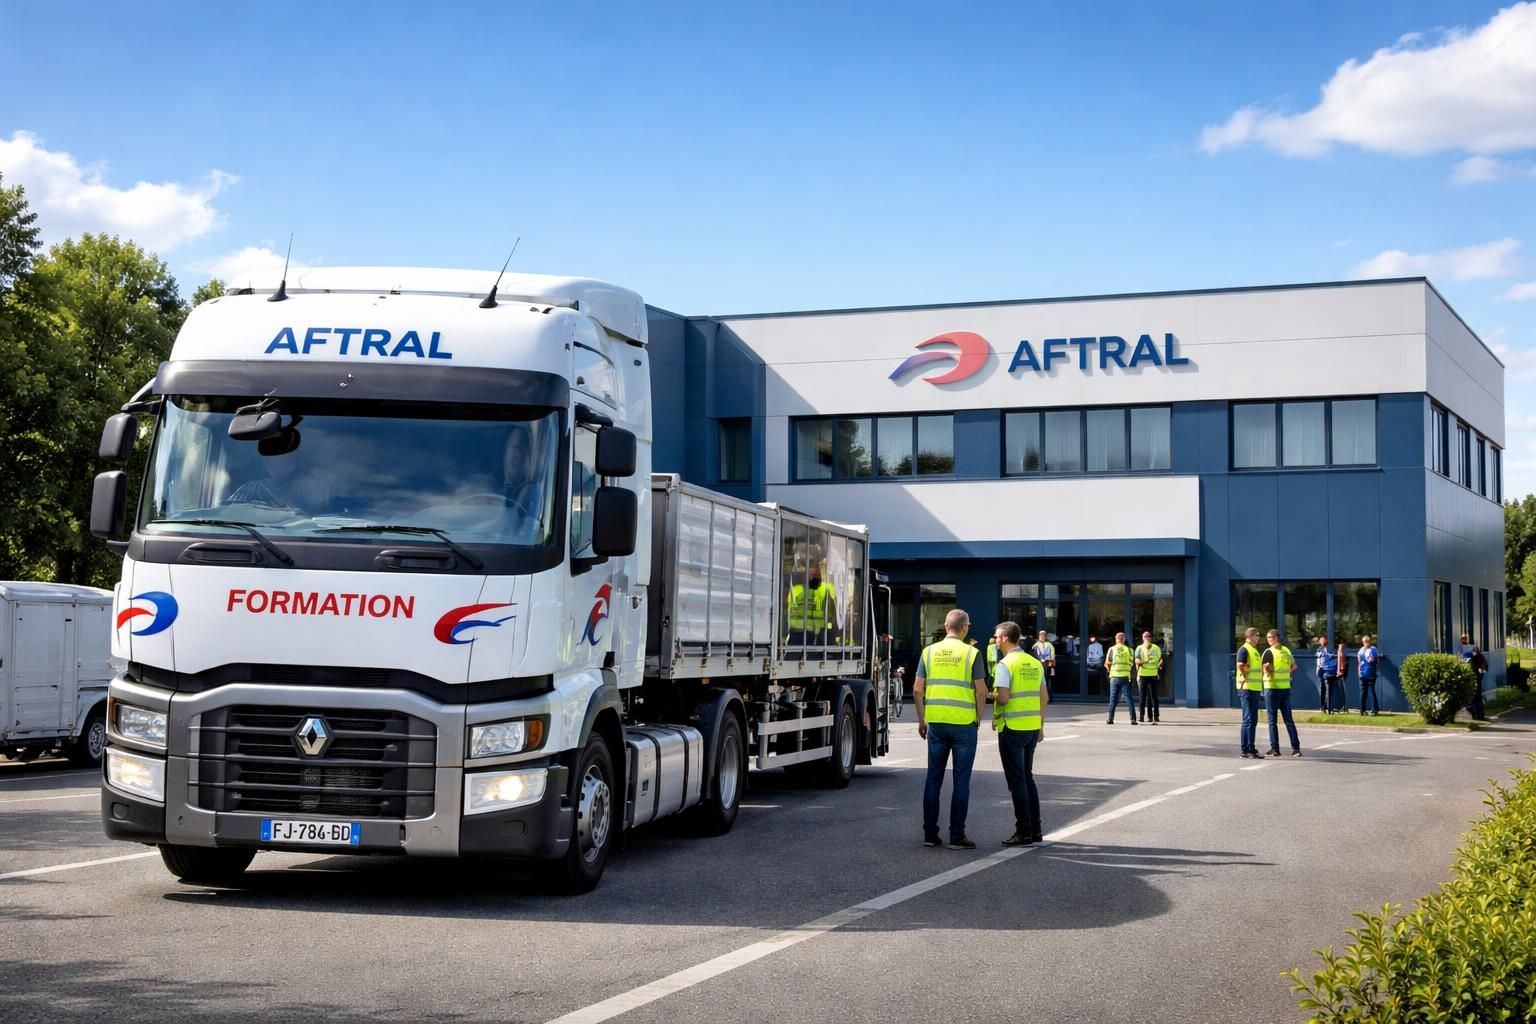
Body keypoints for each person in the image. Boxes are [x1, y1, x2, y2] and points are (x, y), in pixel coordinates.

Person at [915, 609, 989, 850]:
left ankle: (929, 835)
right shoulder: (972, 653)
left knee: (933, 780)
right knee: (961, 781)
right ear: (965, 628)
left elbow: (917, 690)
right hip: (963, 724)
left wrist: (921, 719)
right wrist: (977, 717)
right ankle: (957, 836)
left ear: (945, 626)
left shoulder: (928, 652)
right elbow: (981, 691)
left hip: (935, 722)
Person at [990, 621, 1047, 846]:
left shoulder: (1005, 665)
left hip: (1012, 728)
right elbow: (1044, 697)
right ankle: (1035, 829)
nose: (994, 640)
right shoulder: (1034, 663)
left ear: (1004, 638)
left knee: (1017, 782)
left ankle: (1023, 831)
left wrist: (987, 695)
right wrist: (1041, 725)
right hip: (1032, 727)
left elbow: (1003, 698)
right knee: (1028, 778)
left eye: (996, 636)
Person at [1262, 629, 1302, 757]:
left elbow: (1265, 668)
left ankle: (1275, 749)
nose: (1268, 640)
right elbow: (1294, 666)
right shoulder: (1286, 651)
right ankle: (1296, 748)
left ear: (1275, 638)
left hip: (1272, 688)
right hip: (1285, 688)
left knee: (1272, 720)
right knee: (1288, 719)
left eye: (1269, 637)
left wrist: (1268, 669)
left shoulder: (1268, 652)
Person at [1236, 628, 1264, 758]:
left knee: (1253, 720)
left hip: (1255, 688)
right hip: (1246, 687)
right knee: (1247, 719)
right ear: (1250, 636)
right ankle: (1245, 749)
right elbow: (1240, 665)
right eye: (1257, 636)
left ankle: (1251, 748)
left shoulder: (1254, 651)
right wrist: (1250, 671)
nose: (1258, 638)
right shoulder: (1244, 649)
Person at [1105, 631, 1138, 724]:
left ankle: (1110, 719)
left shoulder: (1112, 649)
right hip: (1125, 677)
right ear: (1124, 640)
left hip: (1114, 676)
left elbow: (1107, 663)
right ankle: (1133, 719)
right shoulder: (1130, 650)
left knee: (1113, 699)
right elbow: (1132, 662)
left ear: (1116, 639)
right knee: (1128, 698)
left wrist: (1109, 671)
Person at [1134, 630, 1163, 724]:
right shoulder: (1153, 648)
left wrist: (1143, 663)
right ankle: (1149, 716)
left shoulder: (1149, 648)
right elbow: (1160, 661)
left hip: (1148, 675)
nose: (1147, 638)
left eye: (1148, 636)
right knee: (1149, 697)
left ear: (1150, 638)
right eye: (1146, 636)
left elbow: (1137, 661)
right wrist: (1158, 666)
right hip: (1148, 675)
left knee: (1147, 697)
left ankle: (1148, 716)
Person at [1459, 634, 1488, 720]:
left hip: (1475, 676)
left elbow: (1482, 664)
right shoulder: (1465, 650)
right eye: (1463, 638)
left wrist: (1481, 672)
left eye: (1465, 638)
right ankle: (1477, 715)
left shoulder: (1473, 651)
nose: (1463, 640)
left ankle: (1478, 715)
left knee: (1475, 697)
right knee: (1474, 697)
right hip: (1473, 676)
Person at [1315, 635, 1339, 713]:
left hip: (1329, 672)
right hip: (1321, 672)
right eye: (1320, 640)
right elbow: (1318, 658)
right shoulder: (1319, 649)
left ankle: (1329, 707)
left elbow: (1335, 657)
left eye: (1323, 640)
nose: (1322, 642)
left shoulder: (1331, 649)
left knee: (1329, 690)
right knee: (1322, 689)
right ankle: (1322, 706)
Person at [1357, 634, 1380, 715]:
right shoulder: (1373, 649)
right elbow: (1376, 661)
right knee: (1371, 691)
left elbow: (1359, 663)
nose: (1366, 643)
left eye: (1366, 642)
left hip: (1363, 674)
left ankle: (1362, 710)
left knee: (1364, 692)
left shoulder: (1361, 650)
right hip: (1370, 674)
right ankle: (1374, 709)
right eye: (1365, 642)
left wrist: (1359, 673)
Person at [1033, 630, 1057, 698]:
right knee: (1040, 681)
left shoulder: (1049, 645)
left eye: (1043, 635)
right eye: (1041, 635)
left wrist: (1052, 664)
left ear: (1046, 636)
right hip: (1039, 664)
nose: (1042, 636)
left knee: (1047, 681)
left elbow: (1052, 655)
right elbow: (1034, 654)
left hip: (1047, 664)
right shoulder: (1036, 645)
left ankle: (1048, 697)